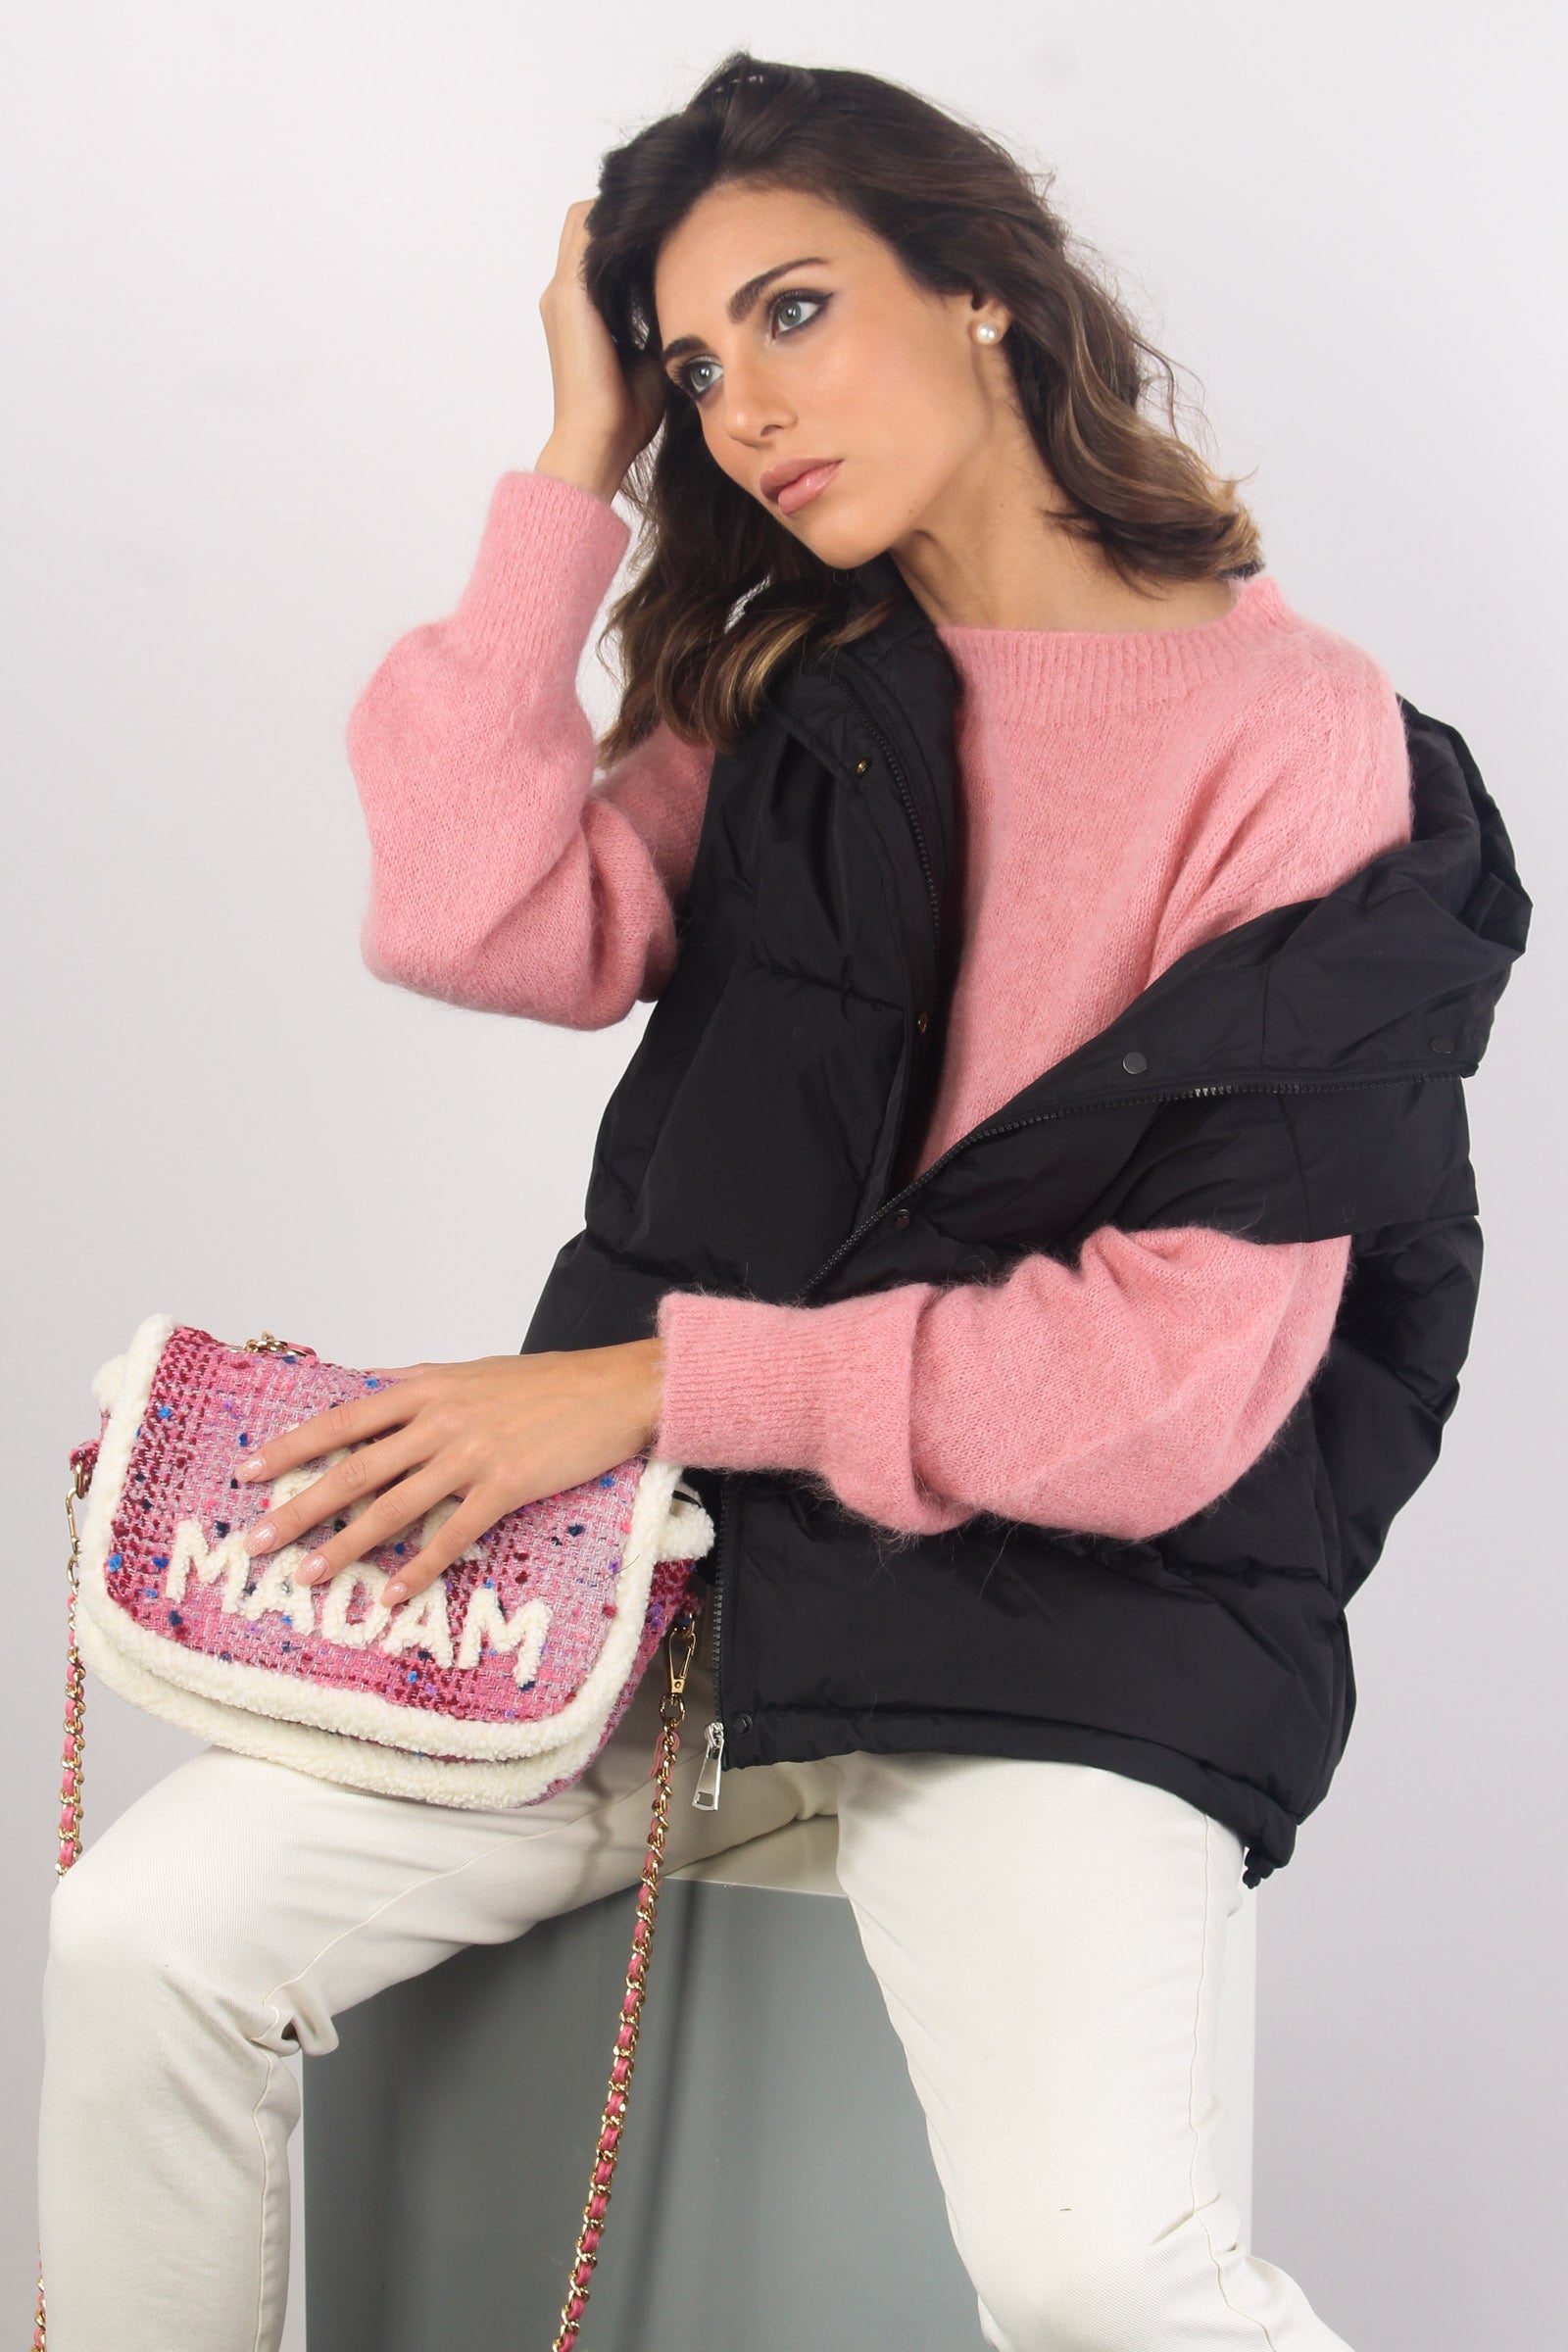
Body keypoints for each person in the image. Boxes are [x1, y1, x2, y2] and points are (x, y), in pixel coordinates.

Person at [36, 50, 1527, 2352]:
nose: (744, 411)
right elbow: (471, 915)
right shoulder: (794, 692)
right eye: (693, 368)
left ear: (980, 288)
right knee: (144, 1940)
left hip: (1056, 1644)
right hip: (666, 1610)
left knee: (1093, 2269)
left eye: (794, 312)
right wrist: (570, 462)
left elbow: (1167, 1387)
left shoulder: (1297, 737)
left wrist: (640, 1388)